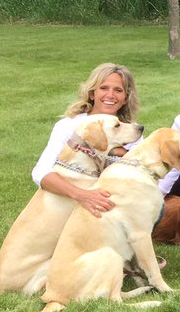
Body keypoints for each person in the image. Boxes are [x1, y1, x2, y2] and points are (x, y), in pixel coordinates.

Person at [31, 63, 141, 217]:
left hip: (112, 203)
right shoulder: (68, 125)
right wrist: (81, 195)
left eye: (118, 90)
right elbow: (41, 172)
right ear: (91, 93)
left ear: (125, 98)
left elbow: (139, 172)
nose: (111, 95)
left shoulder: (132, 131)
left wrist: (121, 153)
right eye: (103, 88)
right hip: (70, 202)